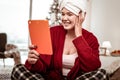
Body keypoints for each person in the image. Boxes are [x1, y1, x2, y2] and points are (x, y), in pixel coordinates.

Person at [11, 0, 109, 80]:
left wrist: (79, 36)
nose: (64, 18)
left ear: (81, 16)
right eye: (62, 14)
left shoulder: (90, 38)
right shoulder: (52, 32)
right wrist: (34, 61)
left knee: (102, 74)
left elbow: (92, 67)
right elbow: (42, 68)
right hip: (50, 78)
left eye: (69, 14)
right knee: (18, 69)